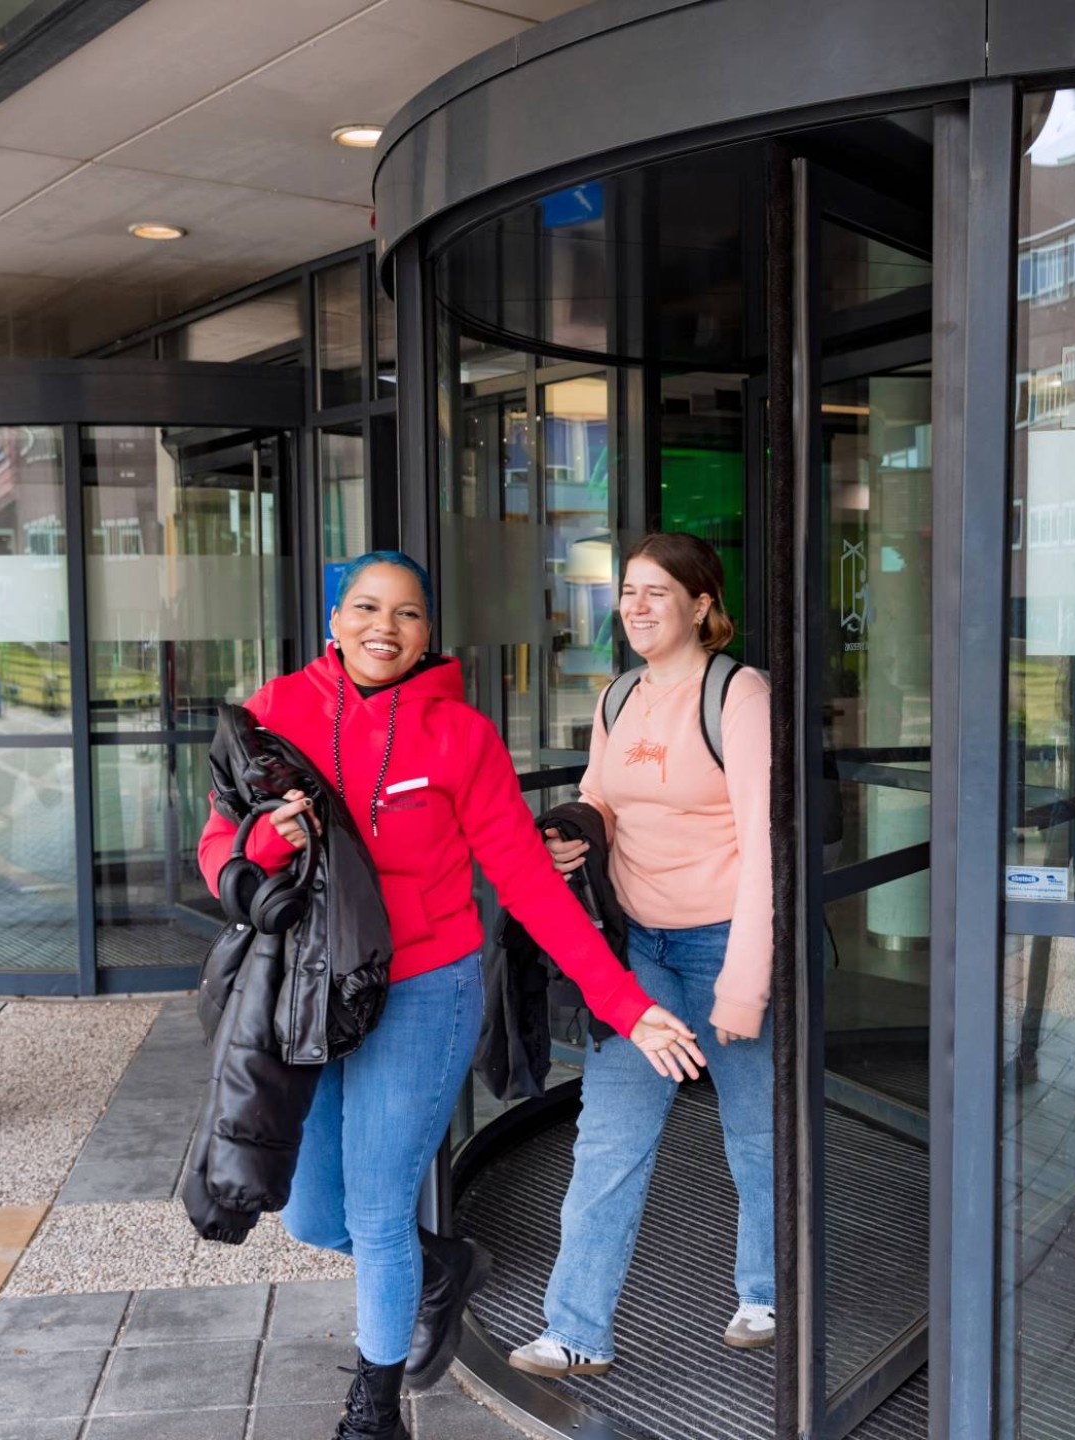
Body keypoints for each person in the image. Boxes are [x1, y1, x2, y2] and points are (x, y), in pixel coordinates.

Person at [194, 550, 704, 1440]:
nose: (384, 628)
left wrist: (625, 1005)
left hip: (423, 991)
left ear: (429, 633)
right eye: (365, 608)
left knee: (377, 1211)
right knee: (314, 1215)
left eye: (407, 614)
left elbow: (530, 885)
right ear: (333, 621)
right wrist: (263, 849)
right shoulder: (275, 714)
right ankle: (442, 1269)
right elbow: (219, 851)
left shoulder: (460, 736)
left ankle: (374, 1408)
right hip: (308, 993)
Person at [511, 531, 775, 1379]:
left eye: (656, 591)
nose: (635, 606)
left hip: (726, 938)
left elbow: (766, 844)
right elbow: (600, 795)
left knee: (755, 1133)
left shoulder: (738, 693)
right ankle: (575, 1328)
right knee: (610, 1135)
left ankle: (765, 1289)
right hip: (638, 947)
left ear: (702, 603)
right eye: (627, 591)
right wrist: (573, 834)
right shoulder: (618, 695)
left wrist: (745, 983)